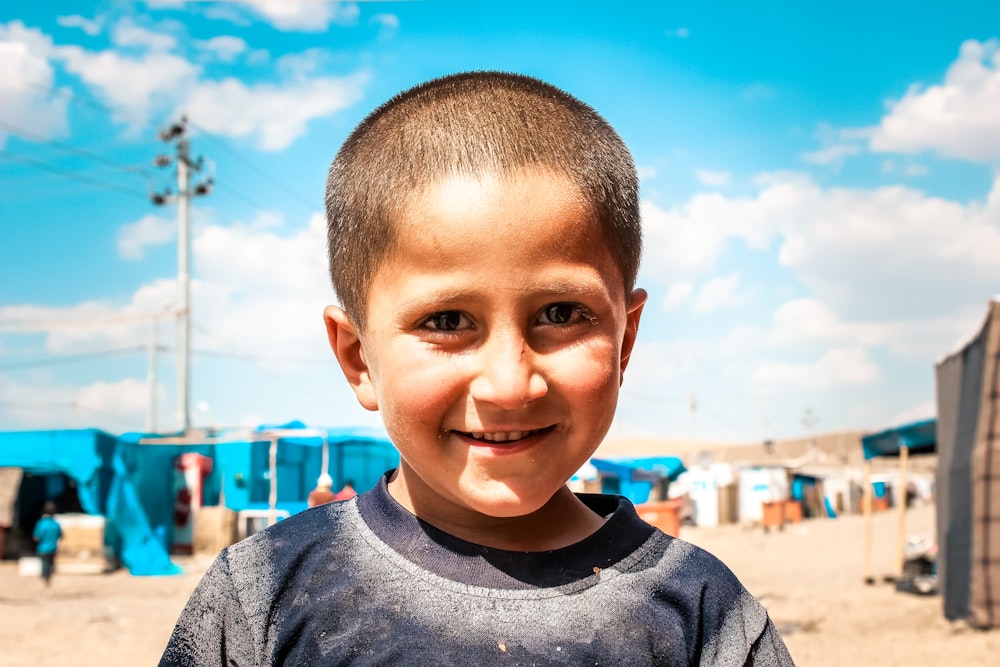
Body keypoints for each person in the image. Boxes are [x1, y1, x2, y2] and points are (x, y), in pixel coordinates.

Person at [160, 72, 794, 666]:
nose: (510, 384)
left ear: (624, 341)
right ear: (358, 359)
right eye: (445, 322)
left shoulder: (703, 615)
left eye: (562, 312)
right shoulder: (261, 597)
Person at [33, 501, 62, 591]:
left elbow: (36, 537)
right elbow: (60, 536)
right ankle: (48, 583)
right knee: (50, 566)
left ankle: (45, 584)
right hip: (53, 549)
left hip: (43, 549)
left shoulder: (41, 523)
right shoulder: (56, 524)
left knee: (44, 567)